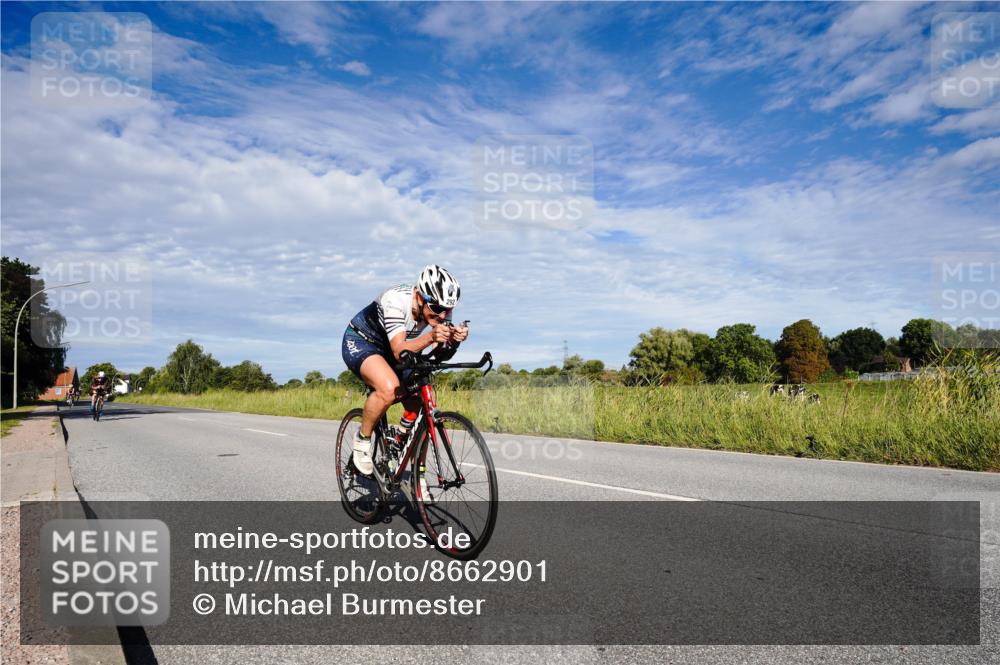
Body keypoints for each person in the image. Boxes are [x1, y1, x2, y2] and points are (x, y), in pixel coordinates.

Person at [342, 266, 468, 489]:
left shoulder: (438, 310)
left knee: (424, 405)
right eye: (437, 308)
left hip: (396, 349)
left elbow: (437, 354)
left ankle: (414, 470)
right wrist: (430, 337)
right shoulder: (395, 300)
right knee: (389, 389)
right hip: (363, 342)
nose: (442, 315)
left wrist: (453, 341)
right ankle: (362, 441)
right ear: (420, 296)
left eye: (447, 311)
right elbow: (400, 350)